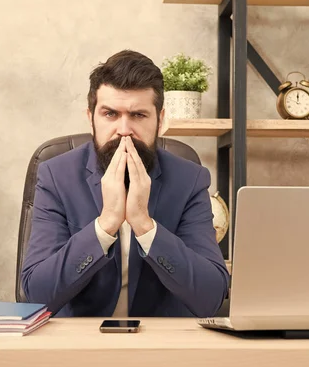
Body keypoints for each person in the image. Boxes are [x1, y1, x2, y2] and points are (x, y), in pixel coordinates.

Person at [21, 50, 230, 318]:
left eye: (138, 115)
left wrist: (145, 225)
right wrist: (106, 224)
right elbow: (37, 295)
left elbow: (211, 298)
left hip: (160, 347)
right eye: (110, 114)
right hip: (80, 344)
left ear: (161, 120)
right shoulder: (56, 176)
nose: (123, 129)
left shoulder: (189, 180)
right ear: (90, 118)